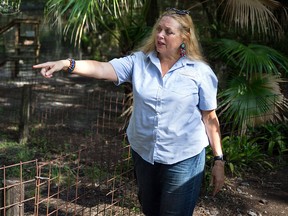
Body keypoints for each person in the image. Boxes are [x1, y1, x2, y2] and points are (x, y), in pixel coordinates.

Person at [33, 8, 225, 216]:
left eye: (168, 32)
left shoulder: (200, 72)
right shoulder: (138, 62)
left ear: (184, 37)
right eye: (158, 29)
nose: (160, 35)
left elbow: (209, 118)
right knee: (150, 210)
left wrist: (218, 160)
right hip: (144, 154)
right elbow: (101, 69)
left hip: (183, 158)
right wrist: (66, 64)